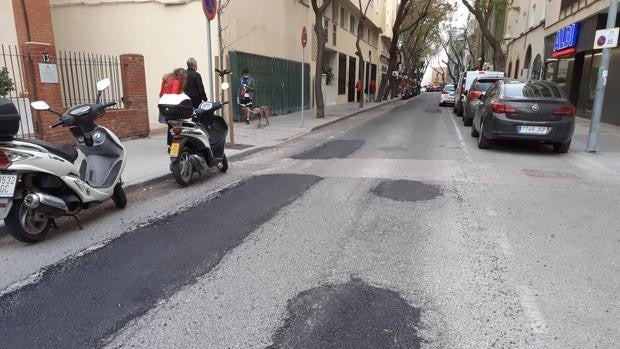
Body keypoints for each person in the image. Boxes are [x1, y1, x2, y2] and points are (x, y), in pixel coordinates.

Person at [158, 68, 186, 147]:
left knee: (170, 125)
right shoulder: (176, 81)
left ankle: (170, 145)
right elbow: (173, 95)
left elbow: (161, 93)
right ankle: (175, 145)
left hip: (164, 105)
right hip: (172, 106)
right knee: (176, 126)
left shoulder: (167, 79)